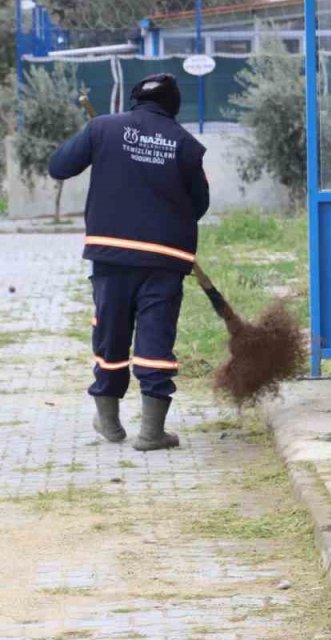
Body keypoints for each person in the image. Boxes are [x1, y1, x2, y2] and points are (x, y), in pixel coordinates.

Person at [49, 73, 209, 452]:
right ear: (174, 106)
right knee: (156, 335)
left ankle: (108, 419)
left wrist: (100, 145)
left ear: (135, 100)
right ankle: (151, 433)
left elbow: (59, 166)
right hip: (165, 257)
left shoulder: (103, 128)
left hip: (111, 253)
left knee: (111, 332)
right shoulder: (187, 146)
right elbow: (199, 205)